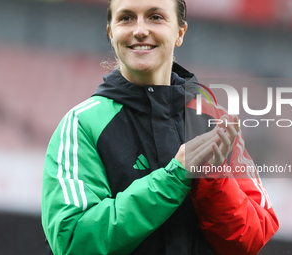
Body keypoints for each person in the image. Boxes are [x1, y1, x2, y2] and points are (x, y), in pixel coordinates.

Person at [41, 0, 279, 254]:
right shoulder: (83, 124)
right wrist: (173, 179)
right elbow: (73, 241)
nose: (140, 30)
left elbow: (253, 238)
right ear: (111, 32)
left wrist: (214, 182)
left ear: (180, 33)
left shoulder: (214, 120)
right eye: (126, 18)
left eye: (155, 17)